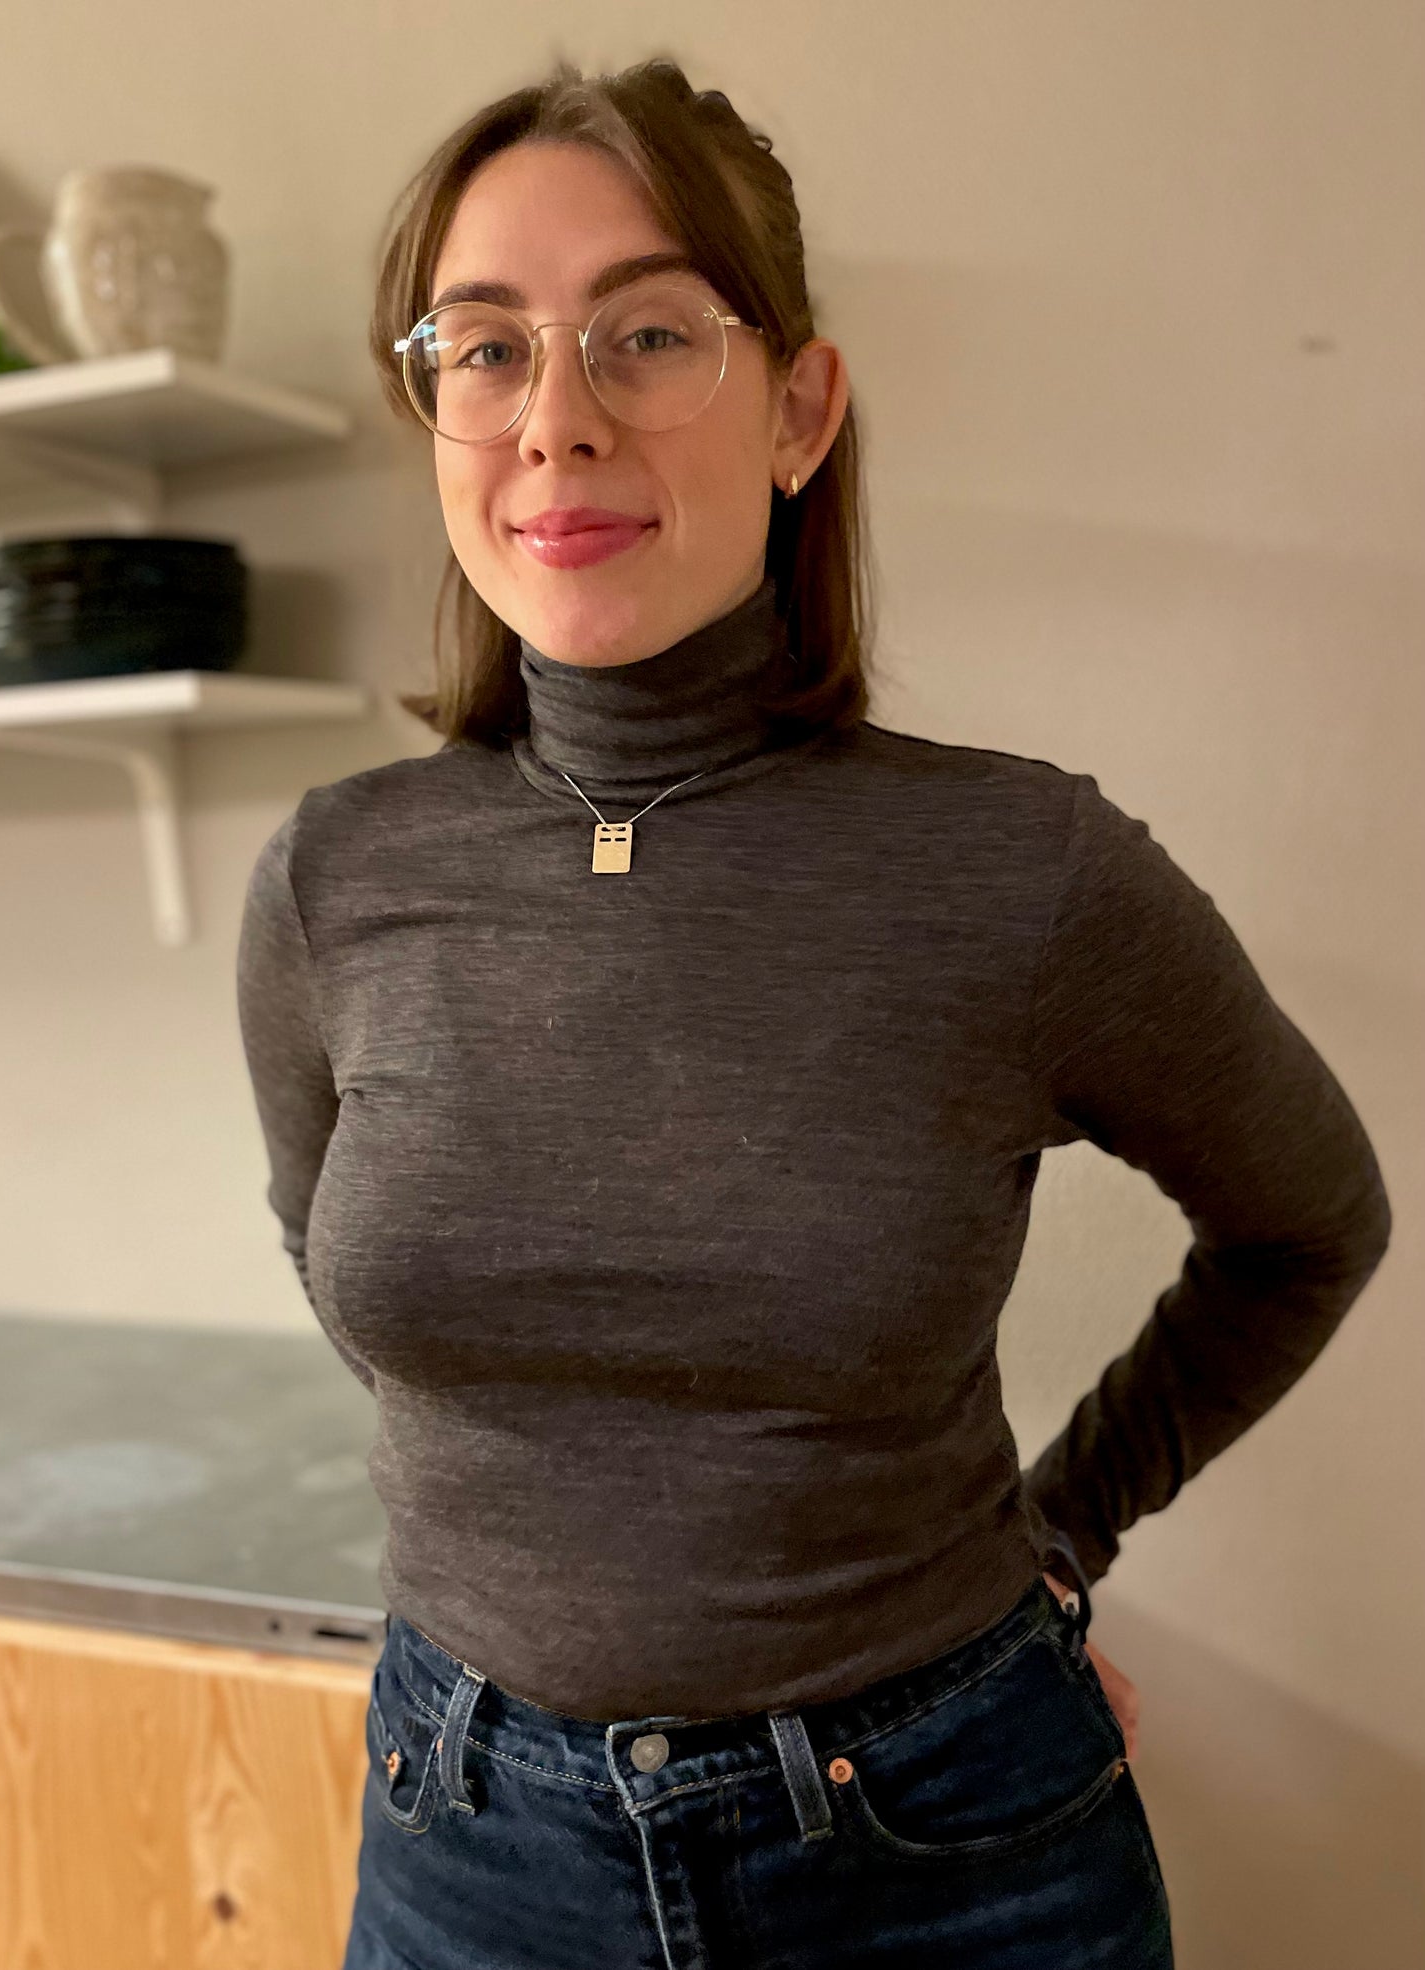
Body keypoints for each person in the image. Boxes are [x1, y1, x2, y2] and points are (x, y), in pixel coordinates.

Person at [235, 55, 1391, 1970]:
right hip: (469, 1848)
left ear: (799, 407)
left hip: (945, 1852)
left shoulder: (1026, 871)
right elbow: (329, 1246)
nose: (558, 420)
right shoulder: (331, 879)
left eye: (647, 334)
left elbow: (1309, 1218)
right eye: (488, 349)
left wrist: (1065, 1527)